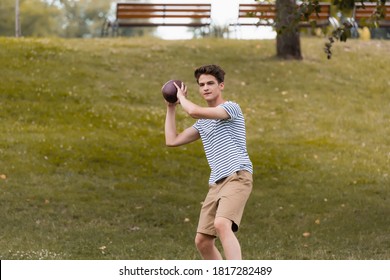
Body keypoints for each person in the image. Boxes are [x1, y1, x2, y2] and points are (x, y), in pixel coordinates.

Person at [164, 64, 253, 260]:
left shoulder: (231, 108)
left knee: (222, 224)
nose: (205, 87)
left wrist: (182, 98)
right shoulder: (203, 123)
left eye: (210, 83)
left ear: (221, 85)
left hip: (237, 175)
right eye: (201, 84)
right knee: (202, 241)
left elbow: (194, 111)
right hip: (216, 183)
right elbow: (172, 140)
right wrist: (171, 107)